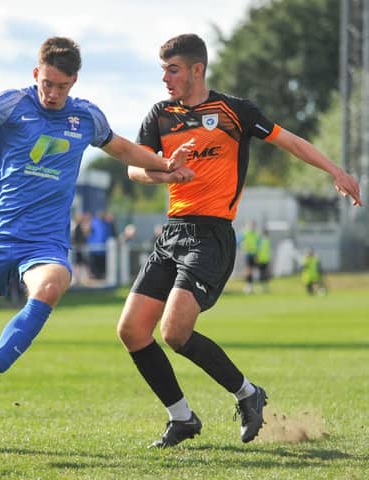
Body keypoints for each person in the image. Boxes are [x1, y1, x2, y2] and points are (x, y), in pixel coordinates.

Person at [116, 33, 362, 449]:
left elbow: (291, 142)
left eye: (172, 70)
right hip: (171, 232)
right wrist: (164, 171)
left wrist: (336, 171)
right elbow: (134, 170)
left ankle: (248, 394)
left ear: (197, 69)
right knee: (131, 331)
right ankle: (182, 418)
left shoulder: (234, 111)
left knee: (174, 331)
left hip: (210, 235)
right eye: (163, 70)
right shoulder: (160, 114)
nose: (165, 79)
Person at [0, 36, 195, 419]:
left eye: (62, 86)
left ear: (74, 83)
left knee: (51, 286)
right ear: (36, 73)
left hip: (45, 242)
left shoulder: (85, 117)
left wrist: (167, 164)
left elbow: (123, 150)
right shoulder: (12, 104)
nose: (53, 93)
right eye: (47, 83)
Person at [241, 220, 260, 293]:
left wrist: (257, 254)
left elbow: (257, 244)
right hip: (247, 254)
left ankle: (250, 286)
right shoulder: (245, 233)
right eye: (251, 225)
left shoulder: (255, 234)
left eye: (253, 225)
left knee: (252, 271)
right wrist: (242, 247)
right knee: (248, 270)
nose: (252, 226)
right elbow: (239, 241)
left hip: (253, 254)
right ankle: (248, 286)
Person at [255, 228, 272, 293]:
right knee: (262, 273)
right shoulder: (260, 241)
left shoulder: (266, 241)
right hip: (261, 260)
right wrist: (257, 257)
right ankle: (262, 287)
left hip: (265, 260)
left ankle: (265, 287)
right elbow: (258, 250)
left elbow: (268, 251)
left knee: (264, 274)